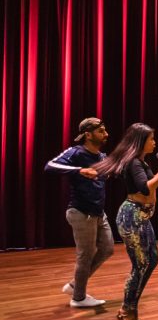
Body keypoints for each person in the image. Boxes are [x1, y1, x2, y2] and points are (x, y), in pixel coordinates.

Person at [93, 123, 158, 320]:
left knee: (151, 260)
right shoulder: (134, 163)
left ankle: (128, 309)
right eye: (151, 139)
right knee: (141, 265)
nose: (155, 142)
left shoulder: (140, 162)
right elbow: (145, 188)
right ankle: (127, 310)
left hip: (140, 216)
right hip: (133, 216)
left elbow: (150, 185)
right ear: (141, 141)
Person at [44, 117, 114, 308]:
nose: (106, 134)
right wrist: (79, 170)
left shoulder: (101, 157)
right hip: (81, 212)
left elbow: (112, 170)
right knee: (86, 254)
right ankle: (79, 298)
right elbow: (50, 166)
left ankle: (75, 285)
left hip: (98, 213)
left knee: (107, 249)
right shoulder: (76, 152)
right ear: (88, 134)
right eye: (101, 131)